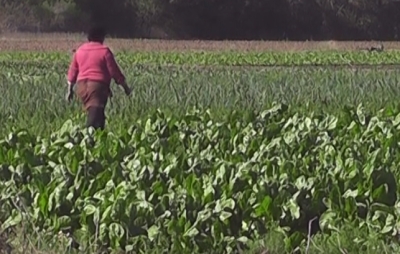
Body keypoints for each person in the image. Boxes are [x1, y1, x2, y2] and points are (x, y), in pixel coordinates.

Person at [66, 25, 131, 130]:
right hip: (97, 88)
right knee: (94, 120)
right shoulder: (104, 51)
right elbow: (114, 72)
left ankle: (98, 138)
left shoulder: (80, 51)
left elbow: (72, 72)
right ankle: (86, 139)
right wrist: (126, 88)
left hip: (82, 87)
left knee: (99, 116)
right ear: (101, 37)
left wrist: (69, 91)